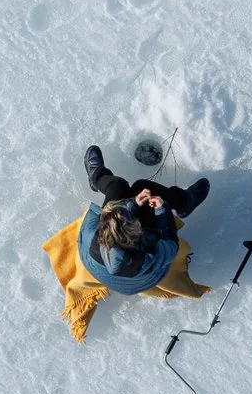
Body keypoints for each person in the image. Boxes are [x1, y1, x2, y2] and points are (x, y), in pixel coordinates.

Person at [40, 145, 211, 340]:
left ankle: (97, 178)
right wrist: (161, 211)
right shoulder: (150, 252)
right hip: (143, 279)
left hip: (100, 266)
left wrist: (133, 204)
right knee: (145, 186)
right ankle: (183, 203)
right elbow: (171, 244)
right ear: (138, 233)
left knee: (118, 186)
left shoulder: (93, 231)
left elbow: (109, 217)